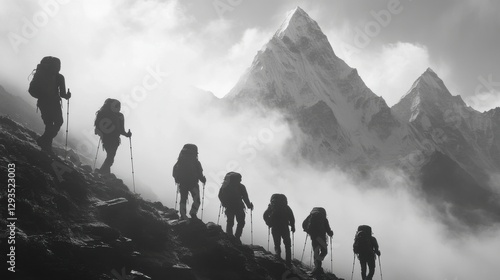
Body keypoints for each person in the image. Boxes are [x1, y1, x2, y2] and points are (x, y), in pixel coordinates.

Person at [33, 56, 71, 154]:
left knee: (49, 124)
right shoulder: (60, 77)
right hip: (54, 103)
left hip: (42, 102)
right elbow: (63, 94)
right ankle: (44, 142)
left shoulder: (41, 74)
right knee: (58, 122)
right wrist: (68, 96)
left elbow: (33, 89)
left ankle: (46, 145)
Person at [94, 98, 132, 174]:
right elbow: (121, 130)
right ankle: (102, 173)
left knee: (110, 156)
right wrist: (127, 134)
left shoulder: (102, 113)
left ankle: (105, 173)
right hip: (114, 139)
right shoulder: (120, 116)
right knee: (110, 157)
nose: (119, 108)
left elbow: (97, 127)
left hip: (106, 139)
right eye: (118, 106)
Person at [172, 144, 206, 220]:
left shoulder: (180, 161)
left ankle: (183, 215)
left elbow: (174, 172)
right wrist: (203, 179)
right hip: (193, 183)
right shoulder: (196, 162)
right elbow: (200, 174)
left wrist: (177, 180)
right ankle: (193, 214)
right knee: (197, 200)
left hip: (182, 183)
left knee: (183, 199)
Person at [218, 172, 253, 243]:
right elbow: (245, 197)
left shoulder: (225, 186)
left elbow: (219, 195)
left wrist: (224, 203)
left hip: (229, 206)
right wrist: (249, 205)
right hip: (239, 206)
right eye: (240, 178)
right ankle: (237, 237)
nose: (241, 180)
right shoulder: (241, 187)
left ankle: (229, 236)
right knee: (241, 222)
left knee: (230, 222)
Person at [263, 193, 295, 266]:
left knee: (277, 243)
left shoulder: (271, 206)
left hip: (275, 227)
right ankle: (288, 261)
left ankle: (278, 256)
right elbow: (292, 217)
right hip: (284, 227)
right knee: (287, 245)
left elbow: (265, 215)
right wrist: (293, 227)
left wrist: (269, 223)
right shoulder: (286, 207)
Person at [302, 207, 333, 275]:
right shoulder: (324, 219)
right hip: (321, 237)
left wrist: (307, 230)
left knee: (316, 251)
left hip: (313, 236)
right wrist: (330, 233)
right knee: (324, 251)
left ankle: (317, 267)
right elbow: (328, 230)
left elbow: (304, 224)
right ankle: (318, 266)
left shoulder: (310, 216)